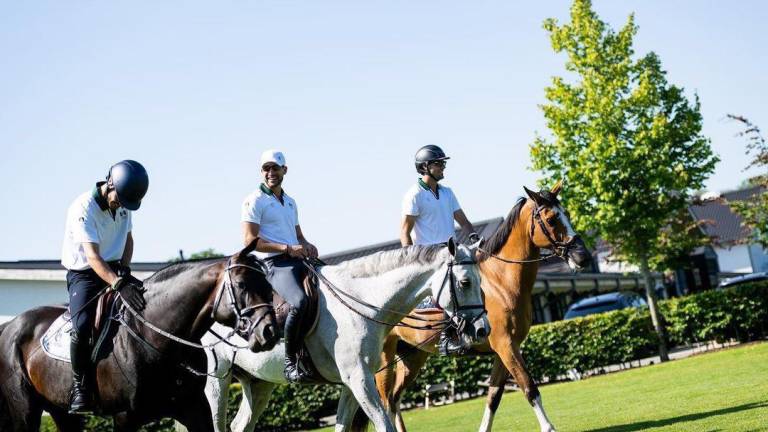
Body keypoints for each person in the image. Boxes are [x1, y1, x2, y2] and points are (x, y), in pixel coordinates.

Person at [61, 160, 148, 414]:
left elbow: (128, 239)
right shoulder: (82, 208)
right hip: (85, 274)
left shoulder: (124, 200)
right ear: (110, 183)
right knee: (82, 325)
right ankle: (80, 387)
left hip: (114, 268)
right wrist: (117, 283)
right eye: (119, 199)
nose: (121, 206)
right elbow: (93, 258)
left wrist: (125, 268)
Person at [241, 149, 319, 382]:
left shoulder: (290, 202)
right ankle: (290, 361)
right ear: (261, 172)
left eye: (275, 168)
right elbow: (250, 241)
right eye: (266, 169)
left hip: (296, 259)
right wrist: (287, 248)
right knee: (299, 302)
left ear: (285, 170)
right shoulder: (254, 200)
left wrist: (307, 244)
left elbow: (298, 235)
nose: (271, 173)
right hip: (273, 264)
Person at [400, 144, 479, 354]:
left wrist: (473, 235)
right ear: (425, 167)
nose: (443, 167)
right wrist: (411, 259)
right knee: (447, 291)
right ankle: (445, 339)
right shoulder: (414, 195)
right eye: (439, 163)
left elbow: (463, 220)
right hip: (429, 257)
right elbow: (404, 232)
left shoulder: (447, 192)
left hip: (451, 253)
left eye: (443, 163)